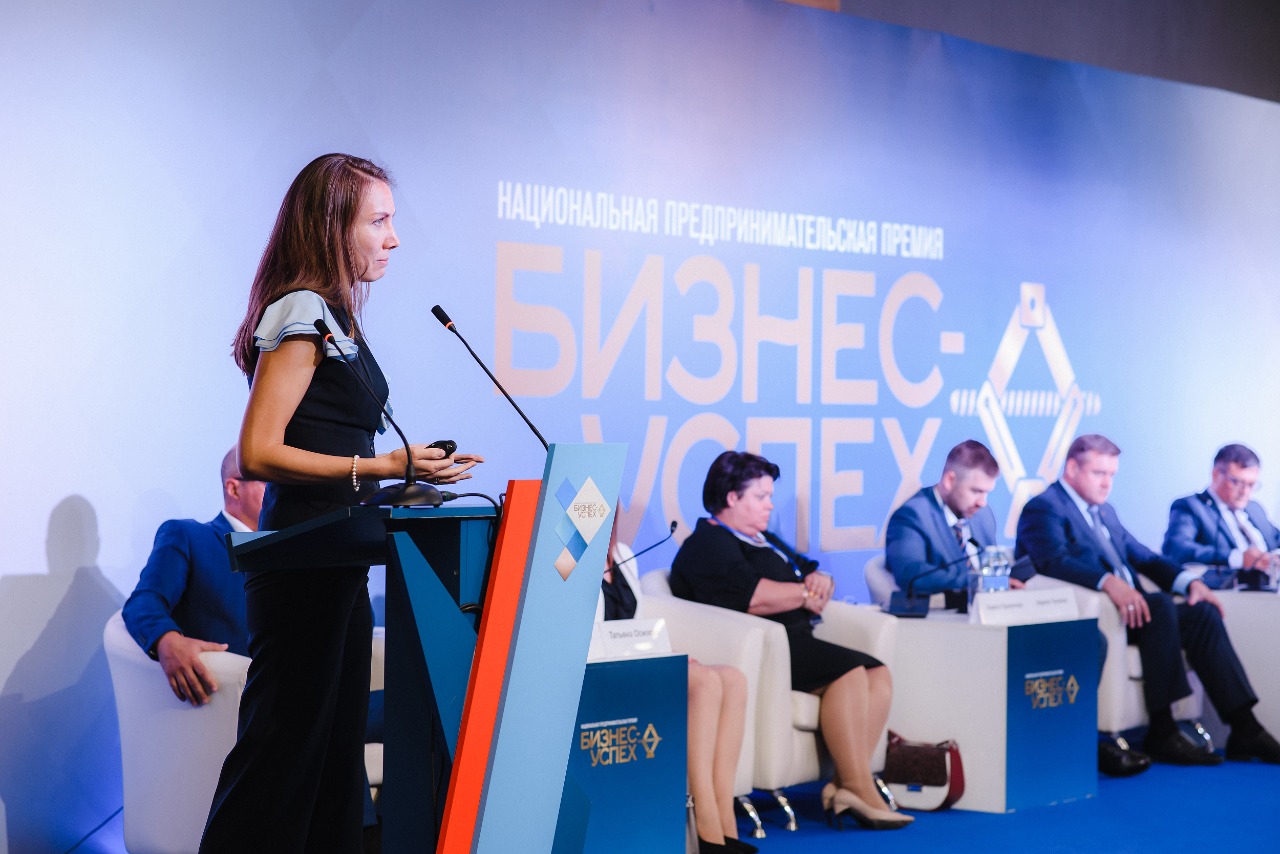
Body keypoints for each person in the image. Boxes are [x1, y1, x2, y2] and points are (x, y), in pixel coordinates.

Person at [200, 154, 483, 853]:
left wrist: (409, 476)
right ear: (333, 227)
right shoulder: (301, 310)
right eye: (378, 221)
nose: (393, 238)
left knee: (333, 767)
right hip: (302, 561)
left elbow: (331, 446)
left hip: (338, 558)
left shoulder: (333, 316)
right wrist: (383, 464)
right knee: (282, 757)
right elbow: (259, 451)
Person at [669, 451, 910, 831]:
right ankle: (858, 787)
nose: (769, 505)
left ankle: (847, 783)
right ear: (732, 497)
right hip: (769, 646)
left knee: (877, 673)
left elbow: (807, 571)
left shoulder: (763, 539)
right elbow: (751, 596)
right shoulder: (708, 543)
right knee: (849, 672)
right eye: (761, 496)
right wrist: (803, 595)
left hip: (796, 638)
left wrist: (820, 581)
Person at [1016, 434, 1280, 765]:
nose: (1107, 483)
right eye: (1099, 473)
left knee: (1202, 614)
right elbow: (1051, 561)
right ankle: (1162, 730)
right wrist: (1107, 582)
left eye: (1112, 475)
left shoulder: (1104, 511)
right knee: (1159, 605)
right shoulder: (1045, 507)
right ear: (1072, 468)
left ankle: (1244, 728)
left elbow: (1146, 557)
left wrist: (1189, 582)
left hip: (1139, 613)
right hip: (1105, 616)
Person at [597, 516, 755, 854]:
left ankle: (726, 821)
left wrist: (667, 656)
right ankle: (706, 825)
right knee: (705, 683)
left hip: (637, 662)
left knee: (733, 679)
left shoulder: (624, 554)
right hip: (602, 670)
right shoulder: (572, 559)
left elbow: (637, 628)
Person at [123, 448, 264, 705]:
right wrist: (168, 641)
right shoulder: (190, 537)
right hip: (232, 703)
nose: (279, 493)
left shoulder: (293, 552)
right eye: (269, 482)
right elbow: (143, 603)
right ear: (234, 489)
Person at [885, 439, 1001, 597]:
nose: (982, 502)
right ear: (949, 481)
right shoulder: (911, 516)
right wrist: (979, 582)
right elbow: (910, 574)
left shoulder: (983, 515)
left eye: (987, 492)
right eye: (976, 491)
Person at [1163, 443, 1280, 578]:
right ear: (1216, 474)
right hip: (1229, 586)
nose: (1245, 491)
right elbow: (1176, 548)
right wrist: (1237, 558)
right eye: (1236, 482)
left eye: (1251, 484)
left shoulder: (1254, 508)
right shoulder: (1191, 506)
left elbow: (1276, 538)